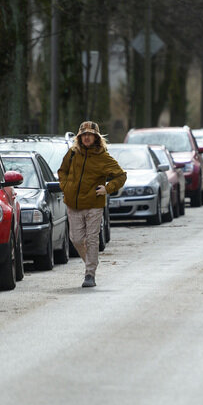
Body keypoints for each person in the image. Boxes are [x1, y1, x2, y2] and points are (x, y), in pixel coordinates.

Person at [58, 121, 127, 287]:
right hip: (73, 204)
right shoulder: (72, 153)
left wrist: (107, 188)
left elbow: (121, 176)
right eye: (84, 135)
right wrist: (66, 187)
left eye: (90, 134)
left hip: (94, 204)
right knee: (76, 239)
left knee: (92, 239)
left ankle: (90, 274)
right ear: (79, 137)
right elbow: (62, 171)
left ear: (96, 137)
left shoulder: (103, 157)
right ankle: (91, 261)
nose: (87, 137)